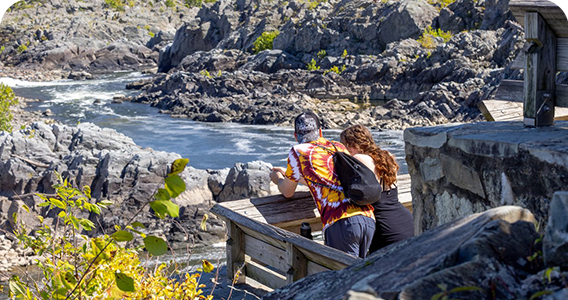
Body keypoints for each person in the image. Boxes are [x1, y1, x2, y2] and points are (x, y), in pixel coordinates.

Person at [269, 112, 376, 258]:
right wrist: (291, 175)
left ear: (295, 136)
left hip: (341, 222)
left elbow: (287, 192)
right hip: (367, 217)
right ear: (320, 132)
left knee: (343, 278)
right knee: (359, 275)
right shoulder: (337, 146)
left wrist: (278, 179)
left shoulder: (298, 151)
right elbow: (331, 178)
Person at [340, 124, 414, 252]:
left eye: (344, 145)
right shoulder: (387, 157)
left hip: (385, 229)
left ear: (352, 145)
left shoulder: (359, 159)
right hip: (406, 221)